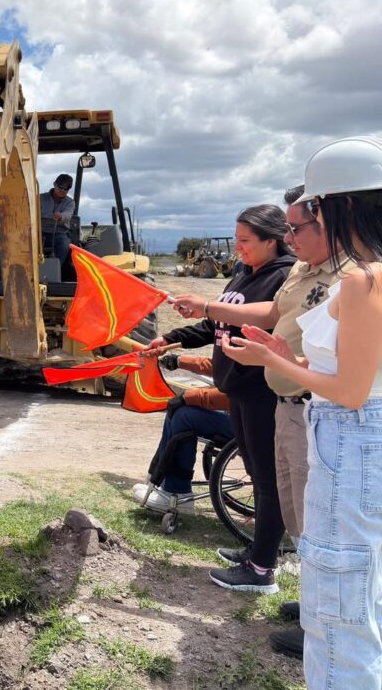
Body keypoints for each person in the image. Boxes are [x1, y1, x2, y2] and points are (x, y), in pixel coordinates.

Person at [222, 136, 382, 689]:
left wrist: (274, 360)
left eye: (314, 208)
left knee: (339, 599)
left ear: (343, 205)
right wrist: (289, 358)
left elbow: (351, 392)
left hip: (347, 439)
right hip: (358, 439)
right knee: (354, 584)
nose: (299, 228)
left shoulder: (361, 280)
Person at [170, 184, 353, 658]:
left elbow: (348, 377)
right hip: (288, 402)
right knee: (297, 511)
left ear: (330, 222)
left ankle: (330, 627)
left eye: (296, 229)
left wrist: (274, 359)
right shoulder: (301, 270)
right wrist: (207, 308)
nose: (290, 238)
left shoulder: (354, 278)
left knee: (320, 515)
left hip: (313, 406)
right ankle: (316, 602)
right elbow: (273, 313)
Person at [146, 204, 295, 594]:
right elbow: (216, 324)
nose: (238, 247)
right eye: (236, 238)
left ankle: (261, 569)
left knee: (268, 480)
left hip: (263, 392)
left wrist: (207, 305)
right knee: (257, 475)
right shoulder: (245, 272)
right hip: (238, 392)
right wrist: (170, 338)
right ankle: (257, 553)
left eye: (245, 240)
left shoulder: (284, 277)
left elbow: (263, 319)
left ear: (271, 241)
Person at [132, 355, 232, 513]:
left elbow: (241, 392)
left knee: (184, 416)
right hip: (241, 414)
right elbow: (224, 367)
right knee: (176, 409)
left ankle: (177, 491)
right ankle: (158, 480)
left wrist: (188, 397)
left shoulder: (260, 345)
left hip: (255, 423)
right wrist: (179, 361)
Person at [41, 174, 75, 265]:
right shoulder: (40, 198)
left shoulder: (70, 202)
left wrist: (61, 216)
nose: (62, 190)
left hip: (59, 234)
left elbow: (68, 214)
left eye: (66, 188)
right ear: (54, 184)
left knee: (64, 245)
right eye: (61, 187)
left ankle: (56, 269)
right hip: (39, 233)